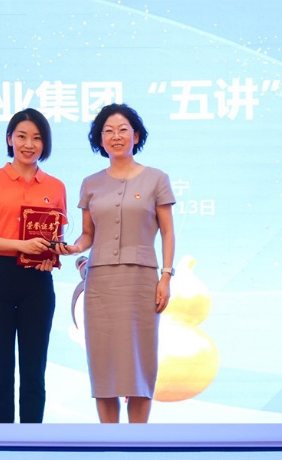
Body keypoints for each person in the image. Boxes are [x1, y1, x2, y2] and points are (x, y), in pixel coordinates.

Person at [59, 103, 175, 424]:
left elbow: (168, 232)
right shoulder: (90, 183)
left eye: (123, 129)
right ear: (100, 140)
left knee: (140, 363)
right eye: (108, 131)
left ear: (136, 136)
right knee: (104, 365)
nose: (116, 136)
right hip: (100, 286)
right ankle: (108, 440)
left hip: (141, 281)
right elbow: (88, 235)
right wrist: (73, 248)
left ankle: (138, 440)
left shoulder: (157, 179)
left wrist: (166, 276)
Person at [0, 108, 66, 423]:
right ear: (9, 139)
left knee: (35, 371)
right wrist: (20, 246)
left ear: (45, 144)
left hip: (37, 283)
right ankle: (2, 441)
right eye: (22, 136)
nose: (29, 144)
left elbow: (54, 238)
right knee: (0, 369)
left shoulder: (56, 186)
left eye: (37, 138)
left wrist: (52, 255)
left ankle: (33, 442)